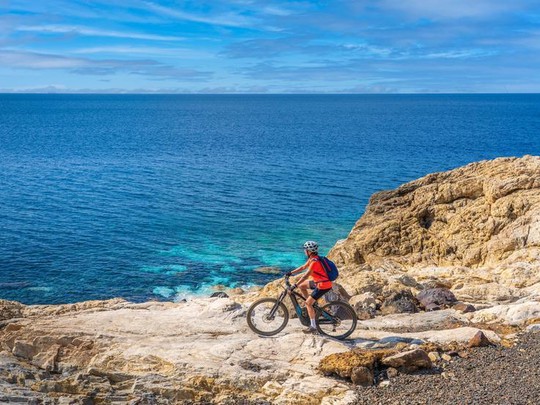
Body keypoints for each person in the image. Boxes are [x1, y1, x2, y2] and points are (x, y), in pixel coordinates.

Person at [287, 241, 333, 334]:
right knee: (302, 285)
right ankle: (312, 303)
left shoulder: (314, 262)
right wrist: (291, 273)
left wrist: (294, 285)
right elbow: (303, 267)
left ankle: (313, 326)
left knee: (308, 303)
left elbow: (306, 275)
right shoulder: (313, 258)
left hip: (323, 285)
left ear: (309, 251)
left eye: (305, 250)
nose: (304, 251)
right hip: (318, 282)